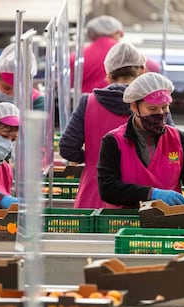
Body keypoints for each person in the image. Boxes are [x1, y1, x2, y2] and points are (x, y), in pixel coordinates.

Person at [60, 42, 148, 208]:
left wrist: (93, 158)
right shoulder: (152, 105)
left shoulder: (88, 102)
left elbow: (67, 148)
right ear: (142, 71)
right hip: (141, 199)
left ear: (108, 75)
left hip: (95, 197)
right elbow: (170, 146)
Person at [97, 72, 184, 208]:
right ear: (135, 107)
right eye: (152, 108)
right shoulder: (113, 141)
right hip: (125, 223)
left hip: (168, 222)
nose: (160, 113)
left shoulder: (179, 139)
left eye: (165, 107)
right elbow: (107, 189)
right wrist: (151, 194)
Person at [70, 15, 160, 93]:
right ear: (114, 33)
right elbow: (155, 68)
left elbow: (69, 83)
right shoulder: (125, 52)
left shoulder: (77, 56)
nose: (121, 37)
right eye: (120, 34)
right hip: (124, 102)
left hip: (90, 106)